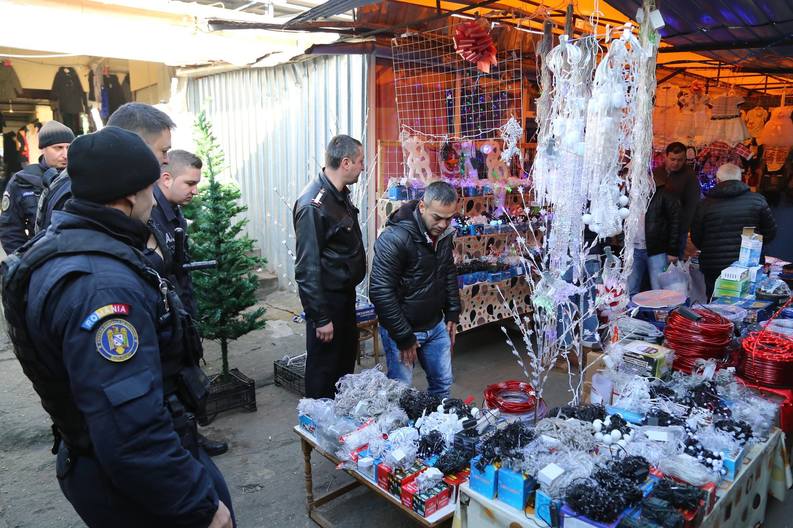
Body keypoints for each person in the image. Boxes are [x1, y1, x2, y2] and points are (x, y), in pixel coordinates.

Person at [1, 127, 233, 528]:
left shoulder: (66, 240)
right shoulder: (102, 287)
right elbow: (130, 429)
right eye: (149, 188)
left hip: (105, 459)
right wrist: (201, 506)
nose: (153, 197)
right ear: (129, 197)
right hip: (128, 479)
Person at [36, 104, 228, 457]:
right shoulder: (84, 194)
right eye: (163, 153)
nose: (165, 164)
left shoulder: (117, 194)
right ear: (133, 147)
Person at [369, 181, 461, 397]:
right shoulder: (395, 238)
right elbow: (381, 291)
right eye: (437, 217)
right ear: (422, 207)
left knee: (443, 385)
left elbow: (447, 272)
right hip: (403, 329)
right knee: (401, 392)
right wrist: (403, 335)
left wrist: (452, 312)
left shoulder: (445, 235)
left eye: (449, 218)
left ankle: (438, 427)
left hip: (436, 325)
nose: (443, 224)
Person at [293, 134, 367, 399]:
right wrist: (320, 317)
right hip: (328, 302)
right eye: (360, 162)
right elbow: (306, 268)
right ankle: (314, 432)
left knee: (343, 366)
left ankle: (338, 425)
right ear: (346, 163)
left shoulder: (339, 196)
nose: (363, 167)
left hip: (344, 297)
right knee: (324, 371)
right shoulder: (314, 204)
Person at [35, 102, 173, 234]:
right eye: (164, 151)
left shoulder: (115, 181)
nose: (167, 160)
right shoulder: (82, 189)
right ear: (137, 144)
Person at [691, 163, 778, 298]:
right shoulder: (757, 201)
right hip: (749, 265)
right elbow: (770, 232)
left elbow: (696, 237)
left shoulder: (704, 205)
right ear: (740, 179)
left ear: (717, 180)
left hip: (714, 265)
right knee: (748, 304)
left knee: (716, 305)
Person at [0, 120, 73, 253]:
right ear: (43, 148)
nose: (65, 155)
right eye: (58, 148)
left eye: (69, 147)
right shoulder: (23, 181)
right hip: (40, 258)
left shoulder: (82, 177)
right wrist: (24, 261)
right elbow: (10, 230)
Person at [150, 149, 202, 317]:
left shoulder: (176, 211)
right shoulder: (149, 213)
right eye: (190, 184)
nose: (195, 191)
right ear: (167, 179)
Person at [627, 175, 682, 295]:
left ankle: (659, 313)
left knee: (659, 290)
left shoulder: (664, 195)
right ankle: (630, 313)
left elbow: (676, 223)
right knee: (630, 288)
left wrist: (672, 250)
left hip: (657, 249)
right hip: (634, 248)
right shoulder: (627, 196)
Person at [652, 142, 701, 257]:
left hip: (678, 228)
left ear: (685, 159)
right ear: (666, 156)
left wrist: (682, 228)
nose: (676, 163)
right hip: (657, 228)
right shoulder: (656, 173)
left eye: (680, 160)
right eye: (672, 159)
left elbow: (692, 205)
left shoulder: (690, 176)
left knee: (673, 262)